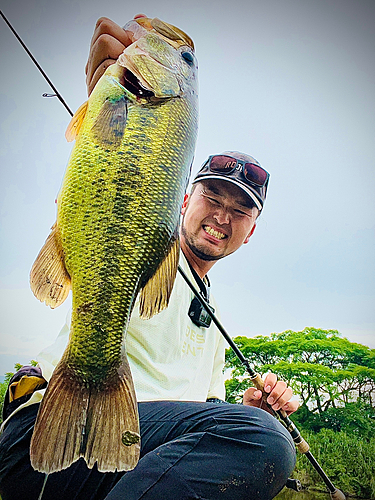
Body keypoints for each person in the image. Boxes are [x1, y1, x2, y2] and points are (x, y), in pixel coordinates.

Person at [0, 15, 299, 500]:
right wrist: (107, 94)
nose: (222, 216)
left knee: (263, 434)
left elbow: (201, 421)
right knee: (267, 442)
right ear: (183, 200)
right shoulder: (148, 254)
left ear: (251, 232)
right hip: (47, 431)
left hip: (130, 458)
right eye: (212, 198)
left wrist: (246, 411)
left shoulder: (213, 321)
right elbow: (108, 176)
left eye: (239, 210)